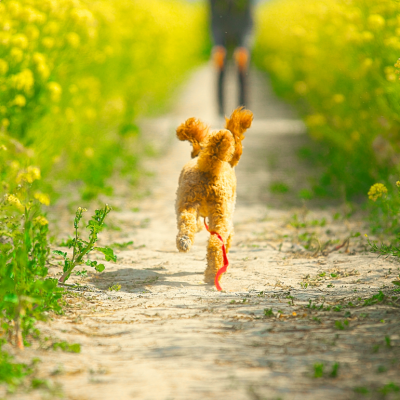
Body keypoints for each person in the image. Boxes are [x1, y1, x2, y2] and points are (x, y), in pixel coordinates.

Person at [209, 0, 254, 116]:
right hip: (221, 33)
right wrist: (217, 45)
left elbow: (249, 23)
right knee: (220, 66)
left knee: (242, 67)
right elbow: (213, 21)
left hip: (241, 32)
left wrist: (244, 46)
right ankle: (220, 112)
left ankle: (242, 112)